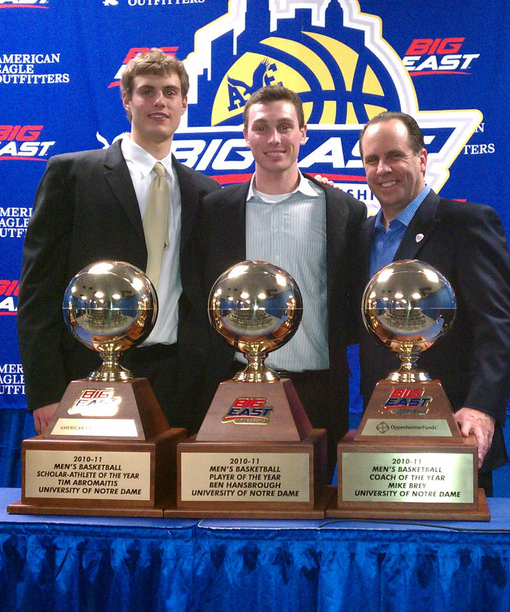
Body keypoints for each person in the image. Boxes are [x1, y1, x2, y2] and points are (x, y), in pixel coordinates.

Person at [18, 49, 220, 435]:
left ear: (183, 105)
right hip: (88, 374)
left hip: (180, 379)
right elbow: (38, 291)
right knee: (100, 491)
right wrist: (45, 391)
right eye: (147, 91)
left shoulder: (204, 191)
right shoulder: (73, 175)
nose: (159, 101)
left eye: (170, 92)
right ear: (127, 100)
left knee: (172, 492)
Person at [195, 85, 367, 479]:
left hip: (318, 391)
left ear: (303, 133)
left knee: (313, 511)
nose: (274, 139)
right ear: (245, 135)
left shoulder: (344, 211)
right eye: (262, 127)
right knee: (238, 513)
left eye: (285, 126)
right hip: (235, 389)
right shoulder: (215, 210)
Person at [356, 111, 510, 495]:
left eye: (395, 156)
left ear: (422, 159)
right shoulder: (361, 235)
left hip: (454, 428)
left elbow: (498, 327)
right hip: (380, 428)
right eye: (372, 159)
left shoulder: (466, 223)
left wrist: (483, 407)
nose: (383, 169)